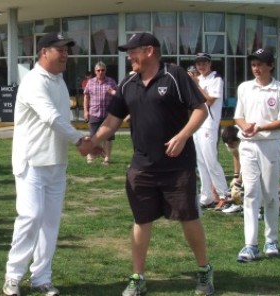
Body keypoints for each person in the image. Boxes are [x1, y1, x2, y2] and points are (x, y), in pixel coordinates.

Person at [80, 32, 214, 295]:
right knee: (141, 220)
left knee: (188, 218)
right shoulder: (128, 83)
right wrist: (92, 141)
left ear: (150, 51)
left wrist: (183, 135)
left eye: (133, 51)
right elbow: (112, 120)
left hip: (178, 166)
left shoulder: (175, 75)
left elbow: (201, 109)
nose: (129, 56)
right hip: (141, 167)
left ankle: (204, 271)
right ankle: (138, 276)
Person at [2, 32, 92, 296]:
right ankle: (13, 276)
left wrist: (78, 141)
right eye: (59, 49)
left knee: (50, 223)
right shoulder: (33, 82)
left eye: (66, 49)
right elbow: (50, 117)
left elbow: (61, 120)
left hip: (56, 163)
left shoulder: (59, 81)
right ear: (43, 52)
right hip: (32, 163)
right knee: (30, 217)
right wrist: (79, 140)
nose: (65, 54)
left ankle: (42, 277)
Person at [234, 48, 280, 262]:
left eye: (260, 64)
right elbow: (238, 116)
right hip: (248, 145)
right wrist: (247, 127)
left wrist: (259, 127)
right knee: (250, 193)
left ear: (271, 65)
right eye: (253, 65)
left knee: (269, 194)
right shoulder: (244, 88)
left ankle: (272, 240)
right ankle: (250, 245)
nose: (256, 69)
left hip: (271, 144)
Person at [190, 52, 230, 210]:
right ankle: (206, 196)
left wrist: (196, 85)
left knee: (211, 161)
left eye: (204, 63)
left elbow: (209, 101)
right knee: (201, 162)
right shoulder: (198, 79)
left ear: (210, 64)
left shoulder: (216, 79)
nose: (201, 66)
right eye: (199, 63)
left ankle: (224, 195)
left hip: (209, 124)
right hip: (197, 124)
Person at [83, 61, 117, 165]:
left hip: (108, 114)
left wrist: (113, 93)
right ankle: (90, 156)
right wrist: (85, 111)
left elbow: (118, 96)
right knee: (93, 137)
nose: (101, 72)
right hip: (94, 113)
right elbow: (86, 96)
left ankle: (107, 158)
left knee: (108, 137)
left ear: (105, 71)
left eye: (103, 70)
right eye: (98, 70)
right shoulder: (90, 82)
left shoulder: (111, 82)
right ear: (95, 71)